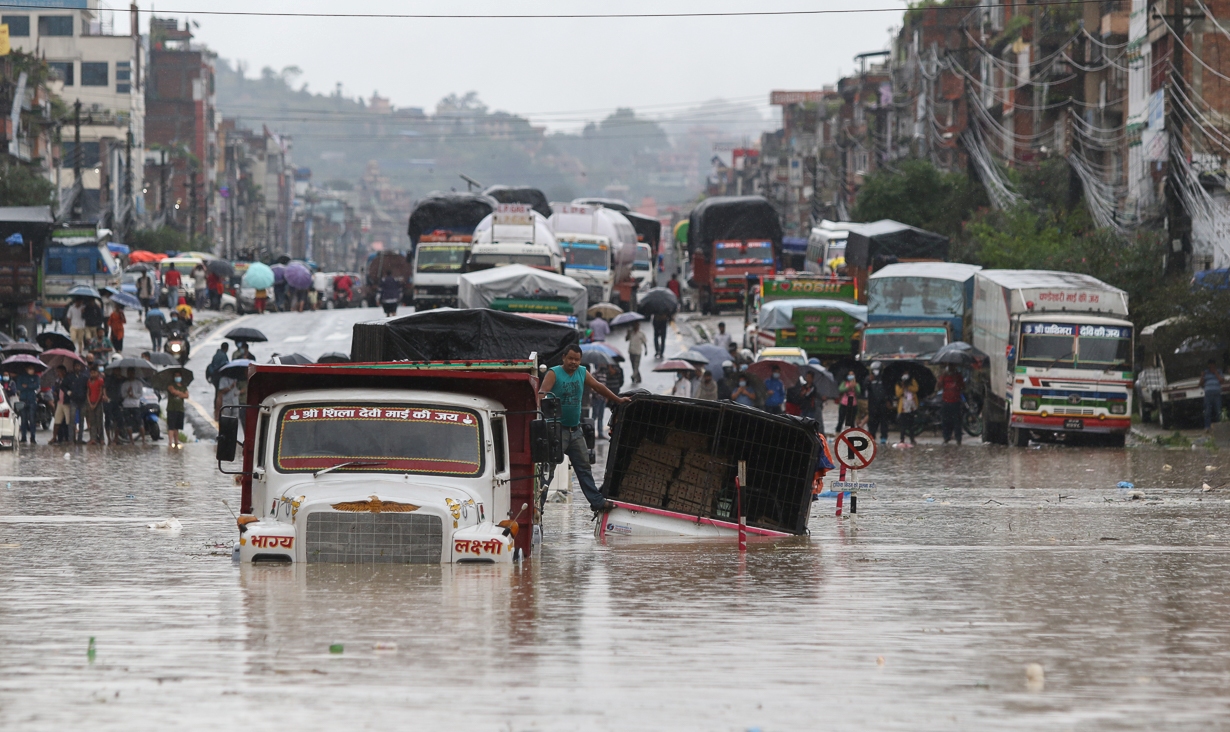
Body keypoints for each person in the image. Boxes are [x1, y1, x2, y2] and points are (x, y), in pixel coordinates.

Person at [538, 344, 629, 512]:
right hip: (556, 431)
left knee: (584, 468)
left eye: (577, 360)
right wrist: (541, 410)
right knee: (548, 471)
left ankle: (597, 502)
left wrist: (617, 399)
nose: (573, 362)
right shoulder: (553, 373)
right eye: (570, 359)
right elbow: (542, 393)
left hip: (575, 431)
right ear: (563, 357)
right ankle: (538, 508)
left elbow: (598, 387)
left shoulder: (582, 372)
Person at [938, 364, 965, 445]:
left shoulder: (958, 376)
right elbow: (939, 386)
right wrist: (941, 379)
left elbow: (963, 387)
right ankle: (946, 437)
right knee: (946, 421)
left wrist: (957, 382)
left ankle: (958, 438)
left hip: (956, 401)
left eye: (952, 366)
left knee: (957, 421)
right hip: (946, 401)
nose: (950, 368)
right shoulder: (944, 376)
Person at [865, 362, 891, 445]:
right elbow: (864, 389)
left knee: (884, 422)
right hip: (872, 404)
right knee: (872, 422)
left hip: (883, 404)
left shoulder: (885, 379)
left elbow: (889, 390)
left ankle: (883, 437)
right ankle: (872, 437)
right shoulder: (869, 379)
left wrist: (889, 401)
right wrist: (868, 381)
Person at [14, 365, 39, 444]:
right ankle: (23, 437)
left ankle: (33, 437)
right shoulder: (21, 377)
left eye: (32, 369)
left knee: (32, 419)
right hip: (23, 399)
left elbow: (36, 385)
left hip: (32, 400)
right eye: (30, 369)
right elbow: (19, 387)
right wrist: (30, 385)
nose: (31, 370)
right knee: (23, 419)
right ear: (26, 369)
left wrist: (27, 386)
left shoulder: (36, 377)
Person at [121, 369, 145, 443]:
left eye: (132, 373)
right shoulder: (125, 384)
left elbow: (140, 394)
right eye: (129, 373)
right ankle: (131, 440)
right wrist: (127, 393)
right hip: (126, 405)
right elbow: (123, 395)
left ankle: (143, 439)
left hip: (135, 405)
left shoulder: (139, 383)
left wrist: (134, 395)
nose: (130, 375)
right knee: (129, 423)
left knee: (139, 422)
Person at [67, 360, 89, 443]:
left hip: (82, 401)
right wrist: (68, 392)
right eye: (76, 366)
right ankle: (71, 439)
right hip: (73, 401)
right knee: (72, 420)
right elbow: (63, 385)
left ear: (81, 367)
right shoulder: (70, 377)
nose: (77, 368)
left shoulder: (84, 377)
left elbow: (87, 388)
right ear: (73, 367)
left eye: (78, 366)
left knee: (81, 420)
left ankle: (80, 439)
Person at [896, 372, 919, 446]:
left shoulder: (912, 381)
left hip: (911, 405)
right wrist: (903, 387)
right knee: (903, 425)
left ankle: (912, 439)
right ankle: (902, 439)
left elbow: (916, 389)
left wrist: (908, 386)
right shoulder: (898, 383)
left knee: (911, 424)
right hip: (903, 407)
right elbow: (898, 394)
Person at [49, 365, 70, 444]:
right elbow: (55, 389)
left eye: (59, 372)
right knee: (57, 421)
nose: (57, 373)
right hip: (59, 402)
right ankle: (55, 437)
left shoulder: (68, 379)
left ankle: (68, 438)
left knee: (68, 421)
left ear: (63, 372)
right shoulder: (57, 381)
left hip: (66, 402)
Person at [86, 364, 106, 445]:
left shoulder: (100, 381)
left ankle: (101, 438)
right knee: (92, 421)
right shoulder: (89, 381)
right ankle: (93, 438)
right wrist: (90, 403)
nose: (93, 374)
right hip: (91, 402)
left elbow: (101, 393)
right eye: (91, 373)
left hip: (98, 403)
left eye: (94, 372)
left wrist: (95, 404)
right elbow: (88, 393)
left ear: (97, 373)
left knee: (99, 421)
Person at [166, 373, 188, 448]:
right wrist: (181, 393)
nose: (178, 377)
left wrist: (178, 393)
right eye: (176, 376)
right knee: (171, 426)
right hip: (172, 409)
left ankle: (176, 441)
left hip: (180, 409)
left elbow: (186, 395)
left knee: (177, 427)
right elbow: (173, 392)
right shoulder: (171, 385)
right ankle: (170, 442)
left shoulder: (183, 386)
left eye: (179, 376)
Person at [1203, 359, 1224, 431]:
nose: (1211, 366)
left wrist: (1216, 373)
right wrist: (1202, 376)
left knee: (1218, 411)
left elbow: (1221, 380)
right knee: (1207, 411)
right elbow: (1200, 383)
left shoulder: (1219, 371)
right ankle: (1207, 427)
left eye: (1213, 365)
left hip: (1217, 394)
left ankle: (1219, 426)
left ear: (1215, 365)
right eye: (1210, 365)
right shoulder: (1206, 372)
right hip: (1208, 394)